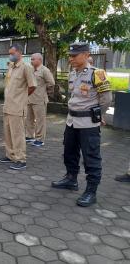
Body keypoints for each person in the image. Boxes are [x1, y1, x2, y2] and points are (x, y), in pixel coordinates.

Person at [51, 42, 112, 207]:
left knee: (91, 157)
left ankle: (91, 192)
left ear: (86, 55)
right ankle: (71, 179)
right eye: (69, 56)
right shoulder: (73, 73)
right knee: (69, 152)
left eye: (74, 56)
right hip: (71, 121)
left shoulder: (97, 74)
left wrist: (98, 116)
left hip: (88, 123)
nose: (71, 59)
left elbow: (106, 100)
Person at [0, 45, 36, 170]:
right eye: (9, 53)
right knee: (8, 133)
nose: (10, 55)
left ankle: (21, 159)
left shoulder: (26, 68)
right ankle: (10, 155)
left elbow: (32, 86)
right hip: (8, 106)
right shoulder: (11, 66)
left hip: (18, 107)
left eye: (12, 53)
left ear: (19, 53)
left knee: (18, 135)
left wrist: (22, 97)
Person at [25, 53, 55, 147]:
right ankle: (29, 136)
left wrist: (44, 91)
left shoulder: (44, 70)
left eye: (33, 59)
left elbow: (51, 82)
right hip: (29, 98)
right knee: (29, 119)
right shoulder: (30, 69)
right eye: (31, 59)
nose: (31, 61)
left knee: (40, 120)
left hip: (39, 99)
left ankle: (39, 139)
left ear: (39, 60)